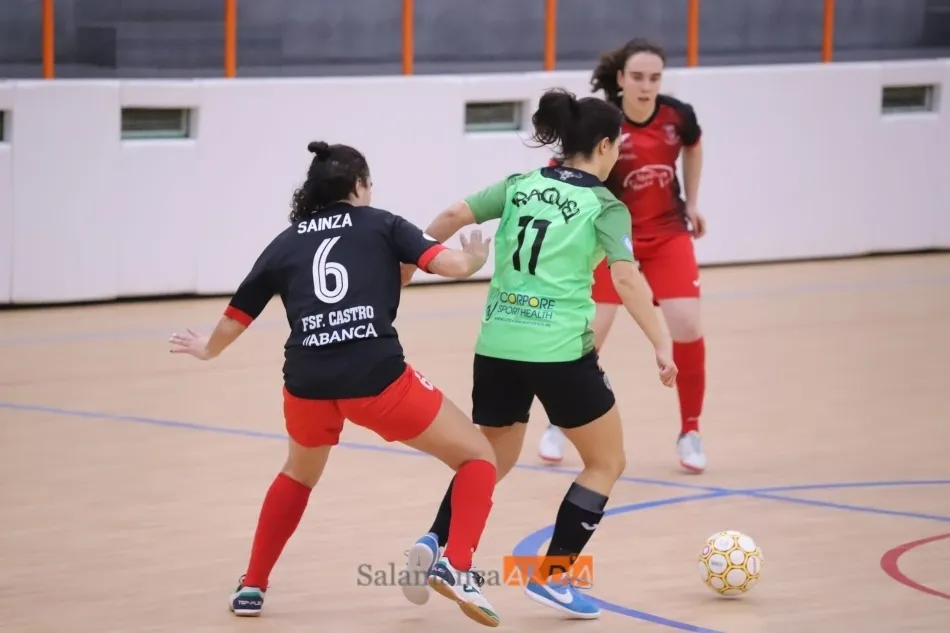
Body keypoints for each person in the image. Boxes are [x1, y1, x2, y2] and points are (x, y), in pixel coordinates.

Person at [167, 141, 503, 628]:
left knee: (298, 475)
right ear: (359, 185)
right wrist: (473, 259)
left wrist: (208, 349)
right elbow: (449, 266)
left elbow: (239, 313)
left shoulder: (287, 241)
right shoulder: (382, 223)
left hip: (306, 384)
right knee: (478, 457)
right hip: (377, 381)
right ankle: (458, 565)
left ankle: (252, 586)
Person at [398, 88, 677, 619]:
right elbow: (626, 278)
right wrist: (661, 342)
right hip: (559, 353)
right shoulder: (604, 206)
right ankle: (552, 577)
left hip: (497, 345)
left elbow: (455, 212)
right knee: (606, 461)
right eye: (617, 144)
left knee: (491, 456)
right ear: (602, 145)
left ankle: (436, 544)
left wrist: (415, 262)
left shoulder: (520, 185)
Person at [538, 38, 709, 474]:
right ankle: (561, 421)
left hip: (668, 234)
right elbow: (566, 169)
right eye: (637, 76)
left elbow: (694, 146)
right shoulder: (601, 120)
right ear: (621, 79)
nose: (646, 85)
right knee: (590, 335)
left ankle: (690, 430)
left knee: (687, 324)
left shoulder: (677, 116)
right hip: (611, 239)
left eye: (654, 77)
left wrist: (691, 202)